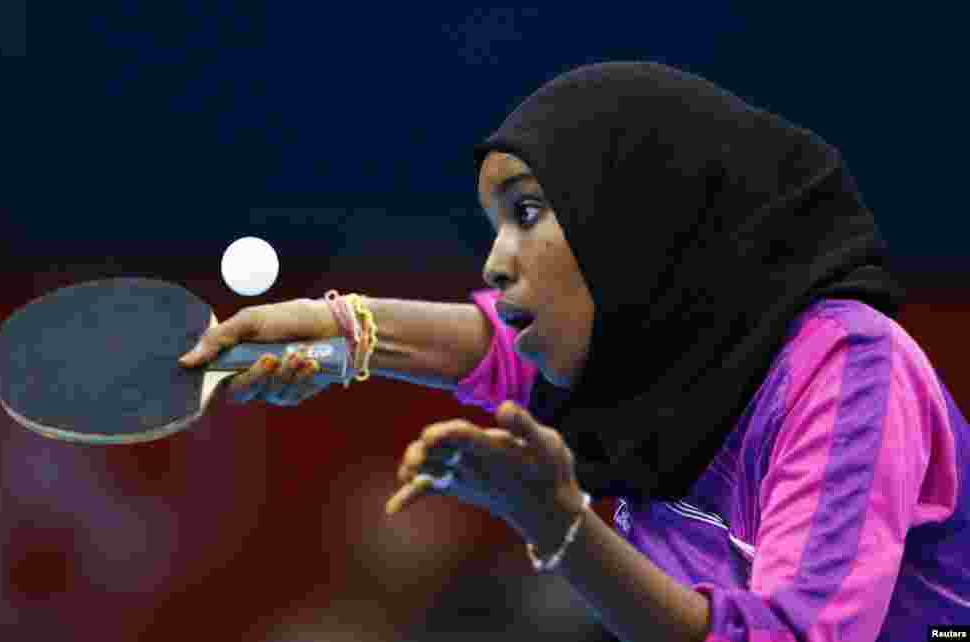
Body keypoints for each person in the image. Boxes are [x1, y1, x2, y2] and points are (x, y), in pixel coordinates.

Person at [178, 62, 970, 641]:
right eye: (496, 224)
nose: (496, 260)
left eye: (527, 212)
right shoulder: (653, 358)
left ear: (634, 218)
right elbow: (499, 349)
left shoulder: (846, 368)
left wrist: (561, 529)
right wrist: (339, 331)